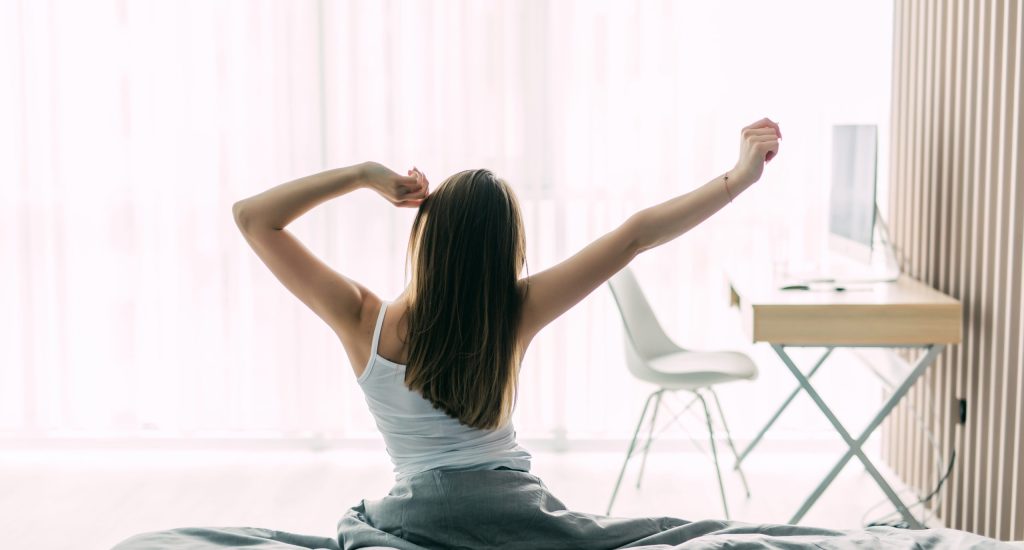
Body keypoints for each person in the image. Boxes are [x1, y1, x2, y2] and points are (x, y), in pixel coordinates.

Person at [113, 117, 1008, 548]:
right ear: (506, 251)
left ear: (422, 235)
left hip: (414, 522)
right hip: (518, 517)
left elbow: (251, 219)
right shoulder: (517, 308)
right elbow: (637, 233)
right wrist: (739, 177)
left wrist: (362, 175)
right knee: (691, 530)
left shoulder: (364, 319)